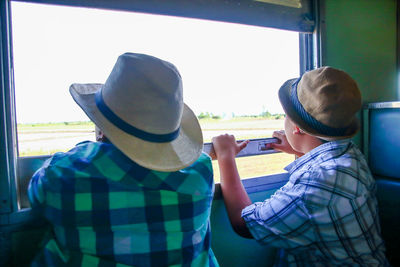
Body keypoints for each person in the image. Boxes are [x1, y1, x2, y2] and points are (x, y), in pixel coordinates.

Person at [28, 53, 219, 267]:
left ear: (102, 130)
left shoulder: (63, 174)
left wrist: (91, 146)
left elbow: (36, 196)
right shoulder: (201, 171)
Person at [212, 67, 390, 266]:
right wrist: (301, 149)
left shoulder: (316, 185)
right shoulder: (351, 155)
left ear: (296, 127)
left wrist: (225, 155)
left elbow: (244, 224)